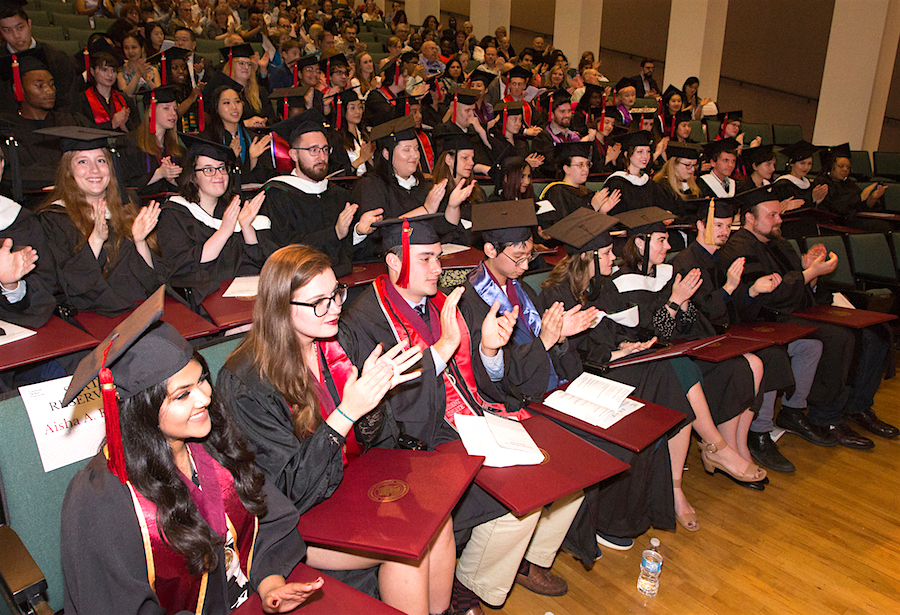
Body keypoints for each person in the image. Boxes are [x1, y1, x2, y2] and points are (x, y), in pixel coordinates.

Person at [340, 215, 581, 612]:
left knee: (552, 472)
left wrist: (488, 350)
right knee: (516, 493)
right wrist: (444, 348)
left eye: (439, 257)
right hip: (410, 442)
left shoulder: (445, 301)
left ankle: (470, 579)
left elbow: (479, 378)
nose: (438, 268)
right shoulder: (364, 320)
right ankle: (466, 585)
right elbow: (385, 406)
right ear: (394, 262)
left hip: (466, 419)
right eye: (426, 259)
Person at [218, 244, 460, 615]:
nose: (335, 308)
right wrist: (347, 413)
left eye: (336, 294)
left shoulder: (338, 339)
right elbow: (287, 493)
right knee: (407, 549)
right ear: (281, 308)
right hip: (296, 519)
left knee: (436, 523)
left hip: (354, 489)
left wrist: (374, 401)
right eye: (319, 302)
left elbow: (378, 443)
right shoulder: (247, 382)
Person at [60, 293, 318, 614]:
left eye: (202, 380)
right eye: (183, 395)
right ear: (144, 411)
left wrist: (270, 585)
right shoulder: (102, 498)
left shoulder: (212, 440)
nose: (205, 398)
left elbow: (267, 516)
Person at [538, 208, 696, 546]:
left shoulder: (604, 286)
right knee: (652, 385)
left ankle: (661, 493)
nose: (614, 258)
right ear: (588, 257)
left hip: (607, 365)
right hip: (576, 379)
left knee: (658, 368)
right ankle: (615, 520)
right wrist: (612, 354)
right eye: (608, 253)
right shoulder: (555, 294)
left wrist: (626, 346)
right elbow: (568, 354)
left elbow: (607, 332)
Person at [717, 186, 898, 448]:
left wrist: (809, 272)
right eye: (772, 215)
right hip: (769, 319)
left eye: (780, 214)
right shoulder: (739, 247)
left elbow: (801, 282)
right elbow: (764, 296)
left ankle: (857, 405)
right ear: (750, 218)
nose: (779, 220)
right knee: (841, 338)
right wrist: (807, 274)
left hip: (798, 310)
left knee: (877, 332)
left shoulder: (778, 241)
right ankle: (826, 416)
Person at [671, 197, 816, 473]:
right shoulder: (687, 260)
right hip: (697, 341)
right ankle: (728, 445)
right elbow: (704, 312)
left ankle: (739, 443)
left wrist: (749, 291)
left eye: (729, 225)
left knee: (767, 356)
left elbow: (735, 305)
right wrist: (729, 288)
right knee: (754, 363)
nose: (725, 231)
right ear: (701, 226)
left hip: (726, 333)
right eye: (718, 225)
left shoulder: (720, 257)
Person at [36, 127, 164, 316]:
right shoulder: (53, 219)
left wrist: (140, 241)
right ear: (69, 171)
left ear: (111, 169)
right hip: (94, 317)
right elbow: (65, 289)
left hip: (141, 309)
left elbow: (155, 282)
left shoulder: (128, 209)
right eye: (82, 162)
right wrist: (95, 240)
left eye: (101, 160)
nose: (94, 169)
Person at [158, 134, 275, 306]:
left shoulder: (232, 210)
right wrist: (224, 232)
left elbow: (258, 262)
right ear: (193, 175)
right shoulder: (174, 215)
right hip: (208, 302)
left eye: (221, 168)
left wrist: (246, 227)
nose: (218, 175)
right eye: (208, 169)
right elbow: (181, 269)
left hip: (246, 295)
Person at [263, 110, 381, 277]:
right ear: (293, 155)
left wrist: (358, 232)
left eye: (325, 149)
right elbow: (284, 251)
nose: (322, 157)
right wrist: (335, 233)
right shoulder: (277, 195)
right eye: (313, 150)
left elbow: (349, 254)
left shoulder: (339, 195)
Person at [352, 116, 470, 255]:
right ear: (386, 154)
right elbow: (383, 234)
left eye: (416, 149)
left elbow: (444, 227)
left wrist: (453, 206)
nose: (415, 155)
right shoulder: (371, 186)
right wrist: (425, 209)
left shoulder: (425, 185)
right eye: (407, 150)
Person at [0, 50, 92, 190]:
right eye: (40, 86)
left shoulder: (72, 122)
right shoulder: (6, 129)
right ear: (18, 88)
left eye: (51, 84)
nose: (49, 91)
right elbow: (9, 175)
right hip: (31, 204)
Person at [0, 1, 80, 113]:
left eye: (20, 27)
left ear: (29, 24)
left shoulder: (56, 58)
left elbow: (67, 103)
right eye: (7, 30)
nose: (16, 35)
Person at [538, 141, 619, 229]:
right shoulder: (557, 192)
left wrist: (602, 212)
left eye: (587, 164)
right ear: (567, 169)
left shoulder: (587, 192)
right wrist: (593, 207)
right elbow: (564, 227)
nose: (586, 169)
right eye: (580, 165)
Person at [201, 84, 273, 183]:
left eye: (237, 101)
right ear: (216, 107)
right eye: (226, 103)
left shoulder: (254, 139)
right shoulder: (208, 140)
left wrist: (253, 159)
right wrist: (230, 160)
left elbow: (263, 179)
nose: (234, 107)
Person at [119, 86, 185, 194]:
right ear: (150, 111)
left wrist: (171, 180)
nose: (173, 113)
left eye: (175, 109)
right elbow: (126, 186)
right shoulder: (129, 143)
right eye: (166, 108)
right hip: (141, 207)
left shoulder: (178, 150)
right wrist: (159, 174)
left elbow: (187, 189)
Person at [814, 142, 888, 230]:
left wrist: (872, 198)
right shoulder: (822, 182)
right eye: (841, 166)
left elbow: (861, 206)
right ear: (830, 167)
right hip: (836, 223)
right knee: (880, 226)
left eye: (848, 167)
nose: (845, 170)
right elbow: (836, 208)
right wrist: (860, 198)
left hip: (852, 220)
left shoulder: (848, 183)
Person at [603, 131, 669, 215]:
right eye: (640, 151)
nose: (645, 156)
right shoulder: (616, 183)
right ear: (627, 154)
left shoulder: (649, 183)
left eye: (648, 151)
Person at [531, 91, 587, 178]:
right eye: (562, 111)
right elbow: (549, 166)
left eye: (568, 111)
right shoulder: (542, 139)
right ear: (552, 114)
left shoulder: (574, 136)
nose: (567, 115)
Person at [77, 48, 135, 132]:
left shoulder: (125, 99)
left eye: (113, 70)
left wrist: (124, 127)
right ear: (93, 71)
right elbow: (83, 132)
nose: (110, 75)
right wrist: (111, 125)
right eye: (104, 70)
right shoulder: (82, 100)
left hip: (122, 143)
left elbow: (137, 131)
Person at [328, 88, 375, 177]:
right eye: (352, 108)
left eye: (360, 107)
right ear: (342, 110)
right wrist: (361, 159)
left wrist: (369, 159)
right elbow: (337, 174)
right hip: (348, 187)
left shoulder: (364, 134)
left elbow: (374, 168)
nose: (358, 112)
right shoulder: (335, 138)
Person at [118, 32, 162, 96]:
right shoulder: (121, 73)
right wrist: (138, 74)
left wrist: (147, 79)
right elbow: (126, 96)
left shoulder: (153, 70)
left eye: (134, 47)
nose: (130, 51)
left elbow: (160, 94)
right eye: (126, 48)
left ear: (142, 49)